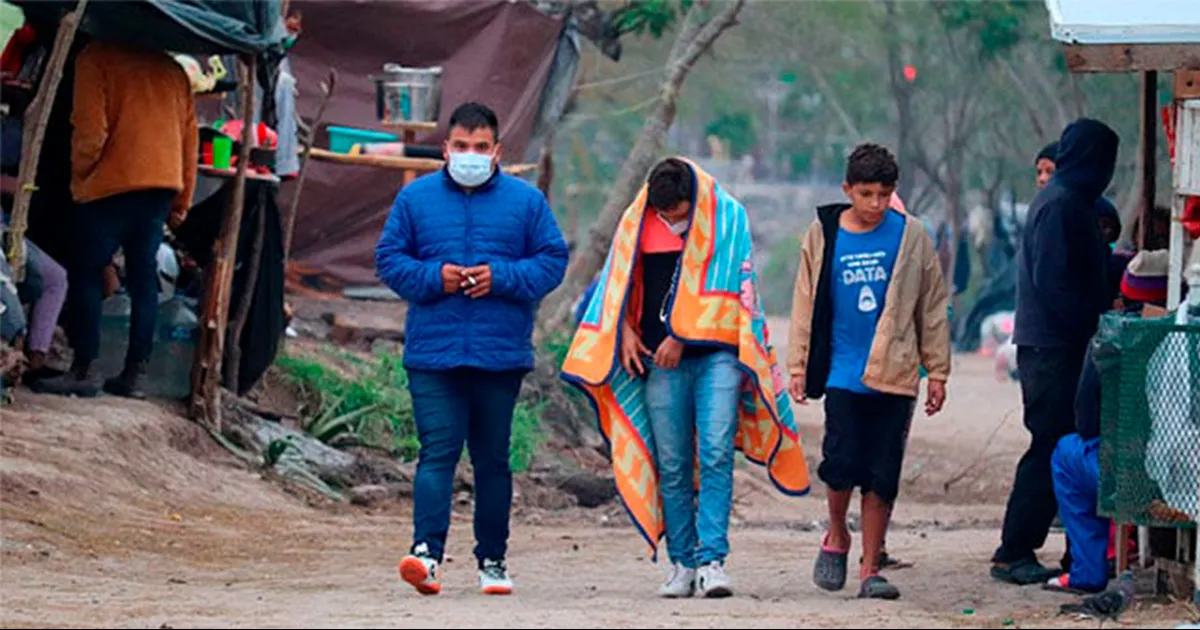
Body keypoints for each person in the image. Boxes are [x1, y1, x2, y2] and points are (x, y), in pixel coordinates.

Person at [560, 157, 808, 600]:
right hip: (659, 362)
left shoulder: (728, 219)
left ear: (693, 200)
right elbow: (616, 288)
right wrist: (626, 332)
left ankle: (713, 561)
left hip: (717, 357)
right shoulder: (636, 221)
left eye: (678, 213)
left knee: (715, 453)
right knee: (671, 464)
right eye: (664, 214)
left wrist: (681, 336)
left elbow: (735, 293)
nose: (671, 220)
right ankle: (683, 563)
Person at [375, 102, 569, 597]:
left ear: (497, 151)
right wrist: (433, 278)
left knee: (492, 460)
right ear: (445, 149)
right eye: (461, 146)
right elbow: (389, 260)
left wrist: (500, 277)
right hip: (433, 353)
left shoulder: (526, 202)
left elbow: (552, 261)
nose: (470, 155)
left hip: (499, 353)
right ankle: (426, 555)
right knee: (437, 453)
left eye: (480, 147)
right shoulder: (415, 199)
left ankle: (493, 560)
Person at [787, 143, 951, 600]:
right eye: (866, 194)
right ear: (848, 190)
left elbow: (932, 307)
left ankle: (869, 568)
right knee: (840, 465)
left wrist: (938, 371)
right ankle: (837, 533)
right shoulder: (823, 234)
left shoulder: (912, 235)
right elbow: (804, 302)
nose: (875, 204)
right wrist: (797, 365)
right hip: (842, 372)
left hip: (896, 371)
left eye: (883, 194)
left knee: (882, 474)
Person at [992, 118, 1118, 585]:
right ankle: (1014, 550)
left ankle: (1069, 553)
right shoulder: (1061, 204)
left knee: (1063, 444)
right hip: (1053, 347)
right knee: (1051, 445)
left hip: (1060, 343)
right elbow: (1054, 281)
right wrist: (1091, 320)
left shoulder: (1071, 201)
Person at [33, 40, 196, 399]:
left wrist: (82, 179)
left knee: (86, 271)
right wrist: (181, 201)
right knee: (143, 281)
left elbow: (90, 131)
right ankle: (135, 375)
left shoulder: (96, 58)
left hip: (111, 184)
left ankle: (85, 367)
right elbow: (189, 144)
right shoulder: (173, 72)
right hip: (161, 186)